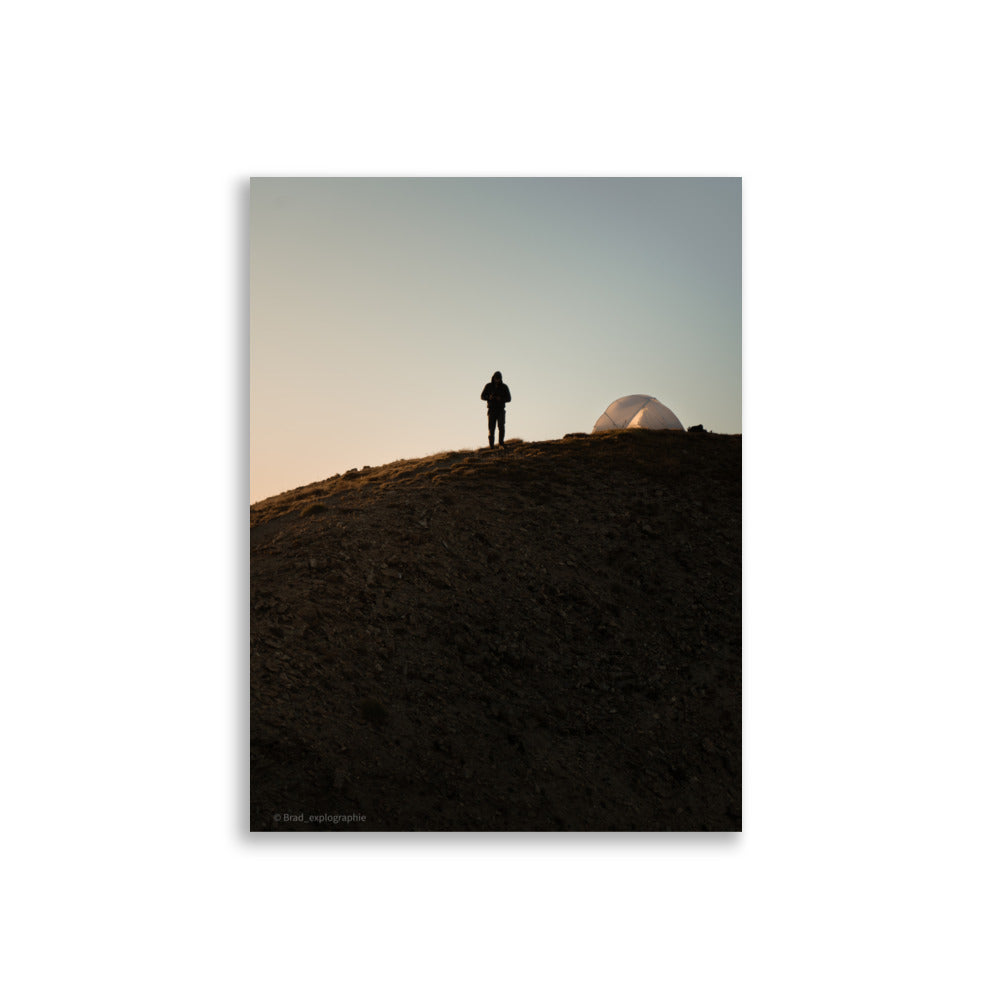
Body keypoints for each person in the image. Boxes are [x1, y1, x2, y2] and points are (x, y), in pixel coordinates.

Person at [480, 370, 511, 448]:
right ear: (493, 378)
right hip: (491, 410)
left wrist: (501, 399)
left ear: (501, 379)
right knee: (491, 428)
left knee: (501, 426)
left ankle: (501, 443)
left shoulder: (504, 387)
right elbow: (482, 396)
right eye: (496, 378)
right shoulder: (488, 386)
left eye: (498, 378)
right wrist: (489, 397)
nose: (497, 380)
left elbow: (509, 398)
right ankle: (491, 446)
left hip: (500, 410)